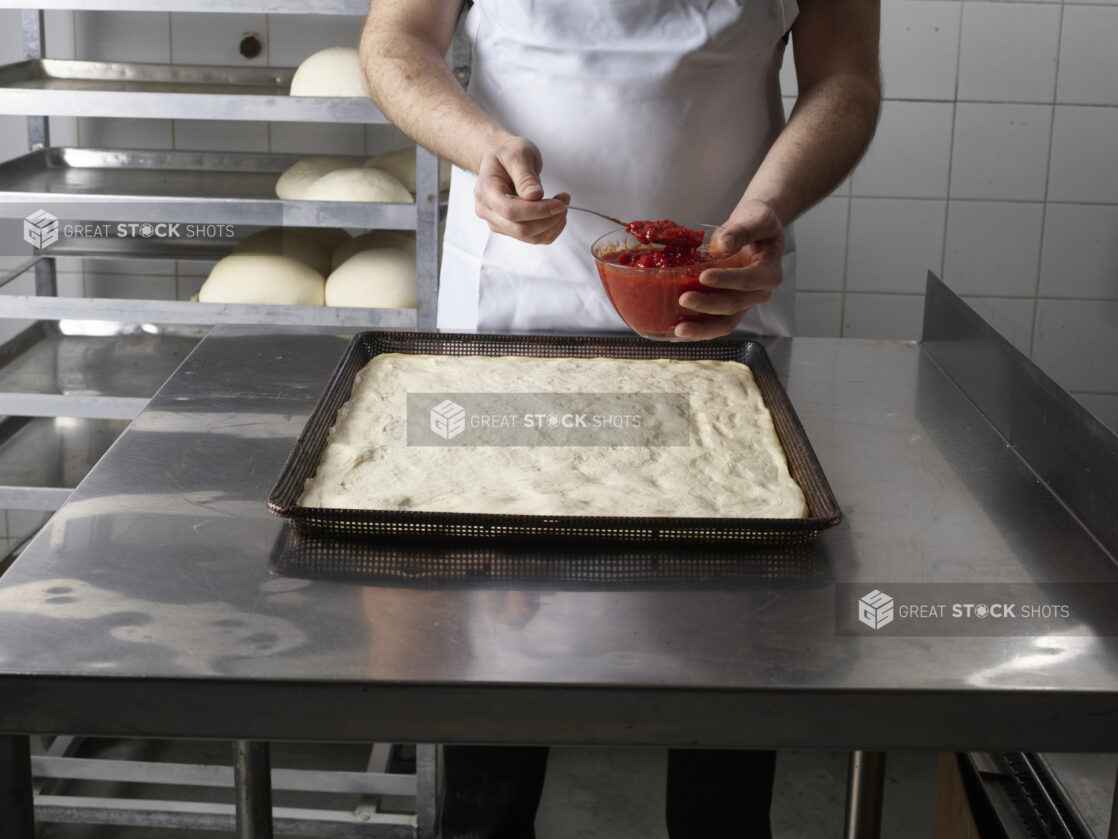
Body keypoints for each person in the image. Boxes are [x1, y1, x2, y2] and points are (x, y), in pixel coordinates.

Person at [360, 0, 879, 834]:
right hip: (518, 311)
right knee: (496, 680)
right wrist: (480, 147)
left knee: (729, 668)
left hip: (720, 298)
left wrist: (772, 204)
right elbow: (396, 39)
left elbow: (845, 77)